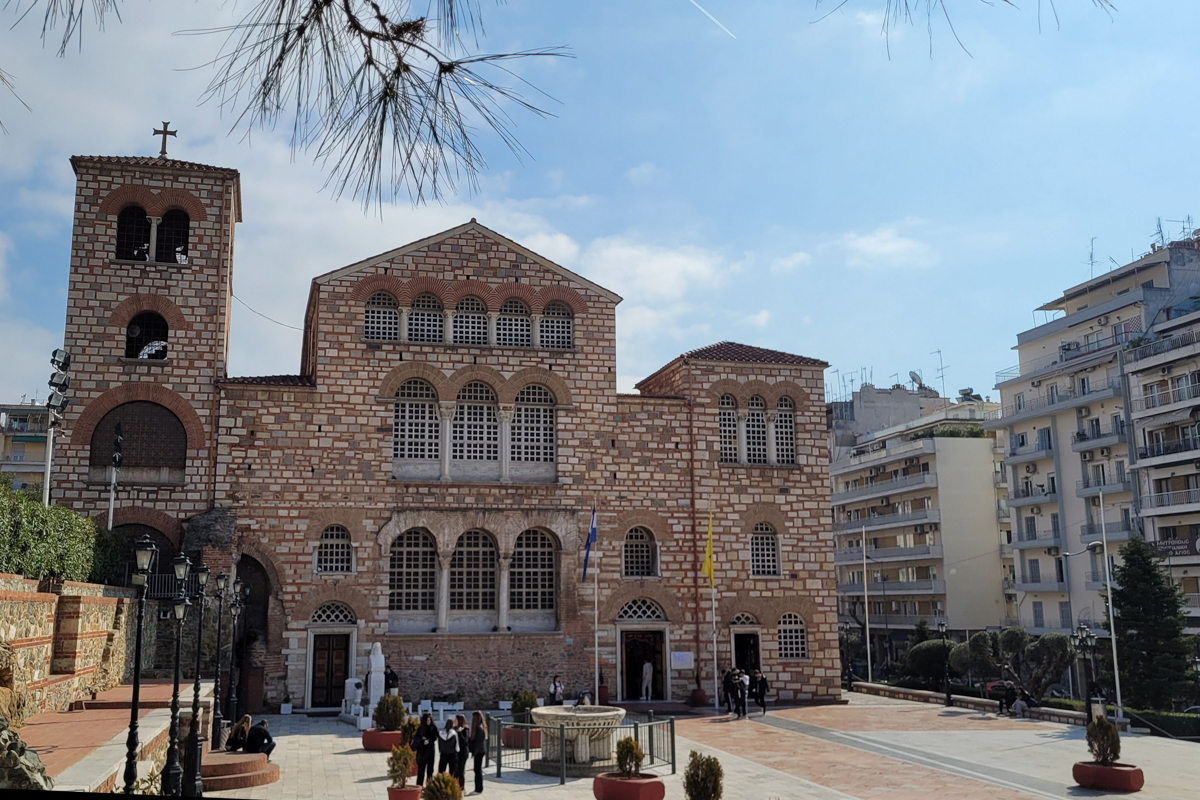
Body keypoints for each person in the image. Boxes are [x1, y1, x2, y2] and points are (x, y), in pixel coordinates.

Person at [415, 712, 438, 786]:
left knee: (430, 770)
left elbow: (436, 736)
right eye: (427, 720)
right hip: (422, 752)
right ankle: (419, 786)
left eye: (430, 720)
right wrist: (423, 741)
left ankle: (429, 786)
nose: (428, 722)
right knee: (421, 771)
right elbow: (416, 739)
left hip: (430, 751)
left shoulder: (433, 727)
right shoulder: (420, 729)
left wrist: (430, 740)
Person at [469, 710, 487, 794]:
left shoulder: (479, 729)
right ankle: (478, 788)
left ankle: (478, 789)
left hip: (479, 752)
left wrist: (474, 753)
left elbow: (478, 743)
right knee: (477, 770)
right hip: (480, 751)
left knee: (477, 770)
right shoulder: (480, 727)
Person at [454, 713, 470, 789]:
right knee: (455, 770)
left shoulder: (465, 729)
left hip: (463, 752)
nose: (454, 721)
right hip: (456, 752)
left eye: (456, 720)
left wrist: (459, 733)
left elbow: (465, 741)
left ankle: (461, 787)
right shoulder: (454, 728)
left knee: (461, 770)